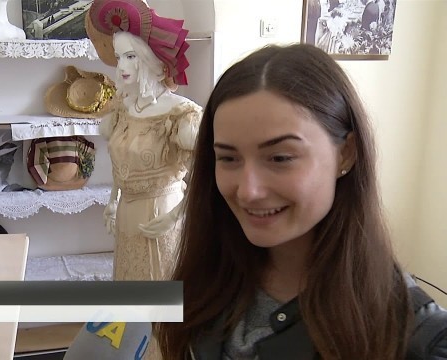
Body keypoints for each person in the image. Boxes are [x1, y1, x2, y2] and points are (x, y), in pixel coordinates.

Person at [154, 44, 447, 359]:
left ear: (345, 154)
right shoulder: (212, 274)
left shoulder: (420, 338)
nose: (248, 191)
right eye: (228, 158)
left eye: (280, 158)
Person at [88, 0, 202, 282]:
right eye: (119, 57)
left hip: (161, 215)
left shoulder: (181, 114)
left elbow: (206, 176)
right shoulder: (122, 108)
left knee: (160, 297)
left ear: (148, 58)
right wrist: (113, 201)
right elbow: (121, 163)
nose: (122, 65)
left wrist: (176, 215)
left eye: (131, 56)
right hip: (127, 215)